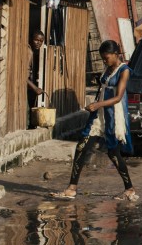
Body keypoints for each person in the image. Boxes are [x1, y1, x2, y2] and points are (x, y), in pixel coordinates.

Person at [50, 40, 135, 202]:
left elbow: (118, 98)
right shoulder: (108, 69)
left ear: (116, 54)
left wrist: (97, 104)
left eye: (107, 57)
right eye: (103, 58)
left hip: (113, 115)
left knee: (113, 152)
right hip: (99, 115)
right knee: (82, 146)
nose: (104, 61)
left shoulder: (124, 71)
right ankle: (71, 188)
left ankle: (129, 188)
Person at [27, 29, 47, 120]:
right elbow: (23, 75)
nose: (38, 43)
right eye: (36, 40)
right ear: (31, 39)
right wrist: (35, 88)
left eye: (41, 41)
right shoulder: (28, 52)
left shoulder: (31, 51)